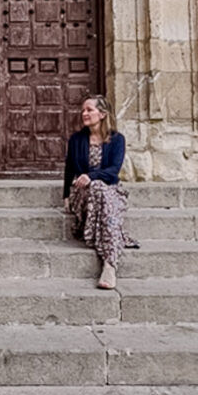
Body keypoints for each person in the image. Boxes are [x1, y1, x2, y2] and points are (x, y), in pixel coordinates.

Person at [63, 94, 130, 290]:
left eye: (89, 110)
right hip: (82, 194)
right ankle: (110, 262)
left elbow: (113, 171)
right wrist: (66, 195)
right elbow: (69, 169)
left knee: (100, 187)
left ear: (102, 114)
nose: (84, 114)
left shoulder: (117, 140)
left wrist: (92, 176)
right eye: (83, 110)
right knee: (97, 188)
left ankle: (109, 264)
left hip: (109, 191)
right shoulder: (76, 140)